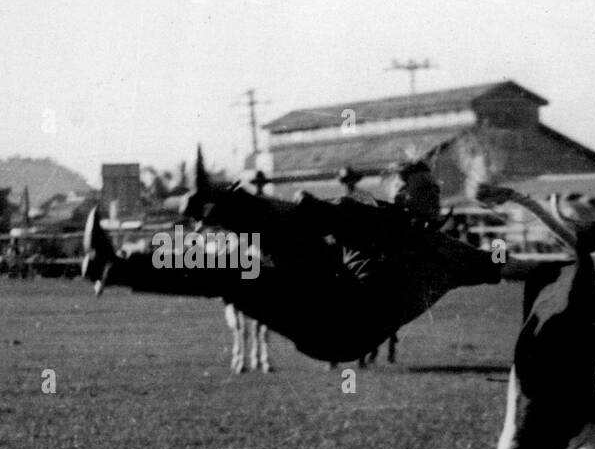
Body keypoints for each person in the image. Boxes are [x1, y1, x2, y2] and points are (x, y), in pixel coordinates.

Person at [82, 149, 513, 364]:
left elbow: (513, 265)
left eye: (435, 188)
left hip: (344, 334)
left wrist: (569, 261)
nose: (437, 194)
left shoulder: (456, 253)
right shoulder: (372, 219)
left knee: (248, 261)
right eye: (426, 189)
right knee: (241, 267)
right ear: (400, 196)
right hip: (326, 303)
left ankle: (211, 204)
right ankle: (113, 265)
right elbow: (296, 212)